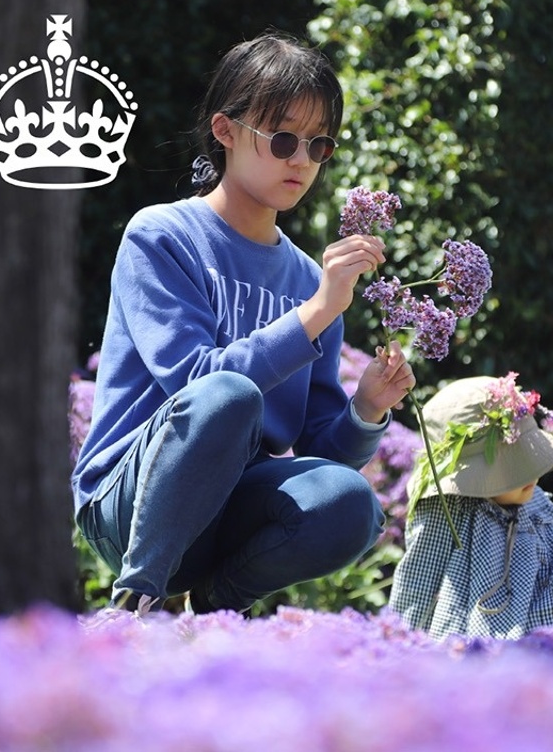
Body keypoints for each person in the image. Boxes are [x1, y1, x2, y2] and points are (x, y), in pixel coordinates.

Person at [72, 32, 410, 616]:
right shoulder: (161, 236)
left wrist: (367, 410)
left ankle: (213, 609)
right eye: (282, 139)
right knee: (227, 393)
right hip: (129, 502)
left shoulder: (310, 278)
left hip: (228, 514)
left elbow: (320, 455)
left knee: (353, 502)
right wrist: (317, 312)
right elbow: (194, 385)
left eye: (318, 145)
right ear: (225, 132)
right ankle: (133, 605)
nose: (301, 161)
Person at [388, 374, 553, 639]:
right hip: (480, 644)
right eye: (513, 465)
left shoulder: (538, 501)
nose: (529, 475)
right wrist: (398, 641)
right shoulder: (448, 512)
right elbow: (418, 581)